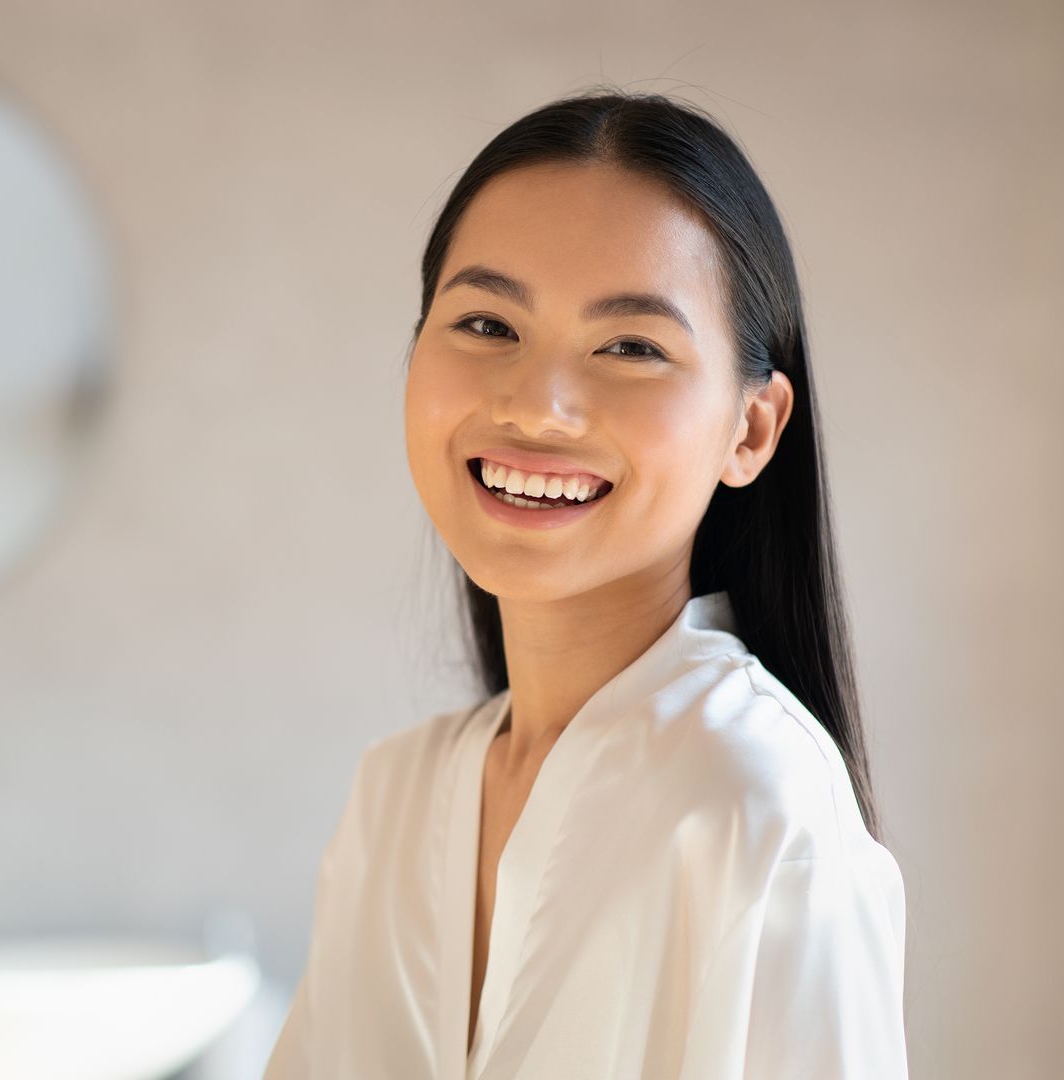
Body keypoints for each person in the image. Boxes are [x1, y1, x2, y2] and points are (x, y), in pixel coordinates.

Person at [263, 89, 909, 1079]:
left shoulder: (758, 805)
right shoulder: (392, 799)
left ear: (751, 430)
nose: (538, 405)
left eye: (632, 348)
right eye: (486, 324)